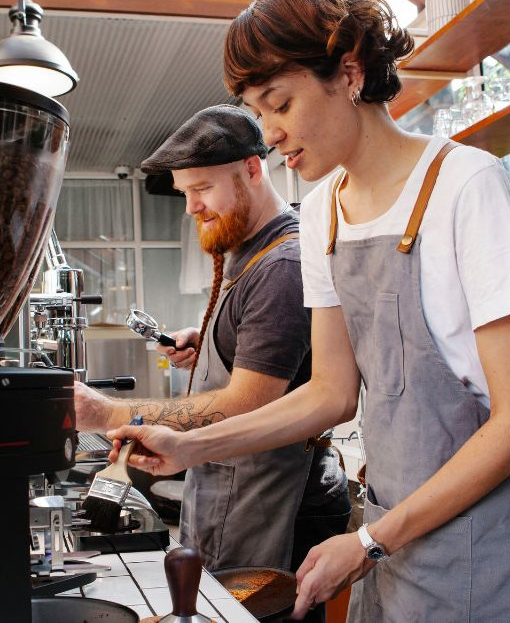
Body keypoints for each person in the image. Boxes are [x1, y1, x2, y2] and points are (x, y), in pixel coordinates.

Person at [105, 0, 510, 621]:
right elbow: (329, 393)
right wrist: (192, 447)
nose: (269, 134)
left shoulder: (465, 185)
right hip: (393, 536)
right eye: (256, 112)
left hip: (488, 541)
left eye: (280, 103)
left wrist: (372, 541)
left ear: (349, 75)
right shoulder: (323, 212)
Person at [74, 106, 351, 600]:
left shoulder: (282, 264)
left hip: (278, 503)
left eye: (201, 189)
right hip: (234, 495)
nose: (191, 208)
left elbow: (251, 401)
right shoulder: (249, 251)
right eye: (185, 193)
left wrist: (108, 412)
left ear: (251, 168)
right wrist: (213, 346)